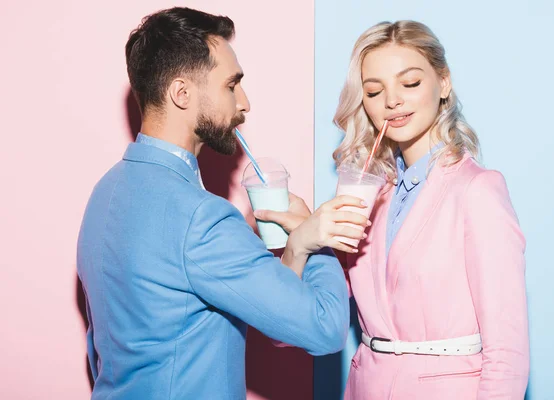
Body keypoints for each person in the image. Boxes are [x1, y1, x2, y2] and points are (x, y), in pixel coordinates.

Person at [76, 7, 369, 400]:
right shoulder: (202, 218)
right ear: (182, 94)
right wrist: (316, 241)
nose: (244, 103)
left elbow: (103, 351)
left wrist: (293, 249)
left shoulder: (104, 193)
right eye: (231, 85)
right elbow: (325, 327)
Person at [260, 20, 529, 399]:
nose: (392, 101)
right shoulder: (368, 195)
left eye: (411, 83)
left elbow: (508, 357)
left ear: (444, 84)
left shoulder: (478, 190)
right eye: (374, 90)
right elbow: (299, 331)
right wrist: (301, 244)